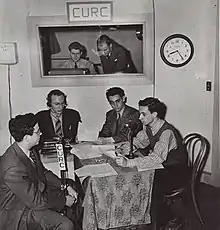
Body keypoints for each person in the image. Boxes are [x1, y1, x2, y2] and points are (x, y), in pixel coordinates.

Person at [115, 97, 190, 229]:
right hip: (164, 167)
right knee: (139, 176)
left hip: (176, 173)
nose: (139, 117)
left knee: (145, 181)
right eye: (140, 113)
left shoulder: (167, 132)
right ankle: (135, 215)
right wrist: (126, 147)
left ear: (154, 115)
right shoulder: (149, 126)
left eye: (143, 114)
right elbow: (140, 141)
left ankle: (161, 220)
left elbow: (156, 159)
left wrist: (129, 162)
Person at [0, 113, 83, 230]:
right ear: (27, 138)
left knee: (72, 185)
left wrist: (65, 186)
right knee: (65, 224)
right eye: (38, 131)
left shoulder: (30, 149)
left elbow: (43, 173)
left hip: (33, 196)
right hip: (19, 211)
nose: (41, 133)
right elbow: (35, 201)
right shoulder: (13, 168)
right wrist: (64, 200)